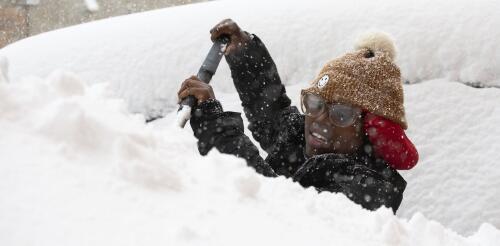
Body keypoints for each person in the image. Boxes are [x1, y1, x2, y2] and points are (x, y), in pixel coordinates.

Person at [177, 19, 418, 213]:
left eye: (341, 114)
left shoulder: (371, 192)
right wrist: (245, 54)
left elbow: (276, 213)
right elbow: (271, 111)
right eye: (315, 103)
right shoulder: (304, 141)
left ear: (369, 129)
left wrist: (216, 126)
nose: (318, 120)